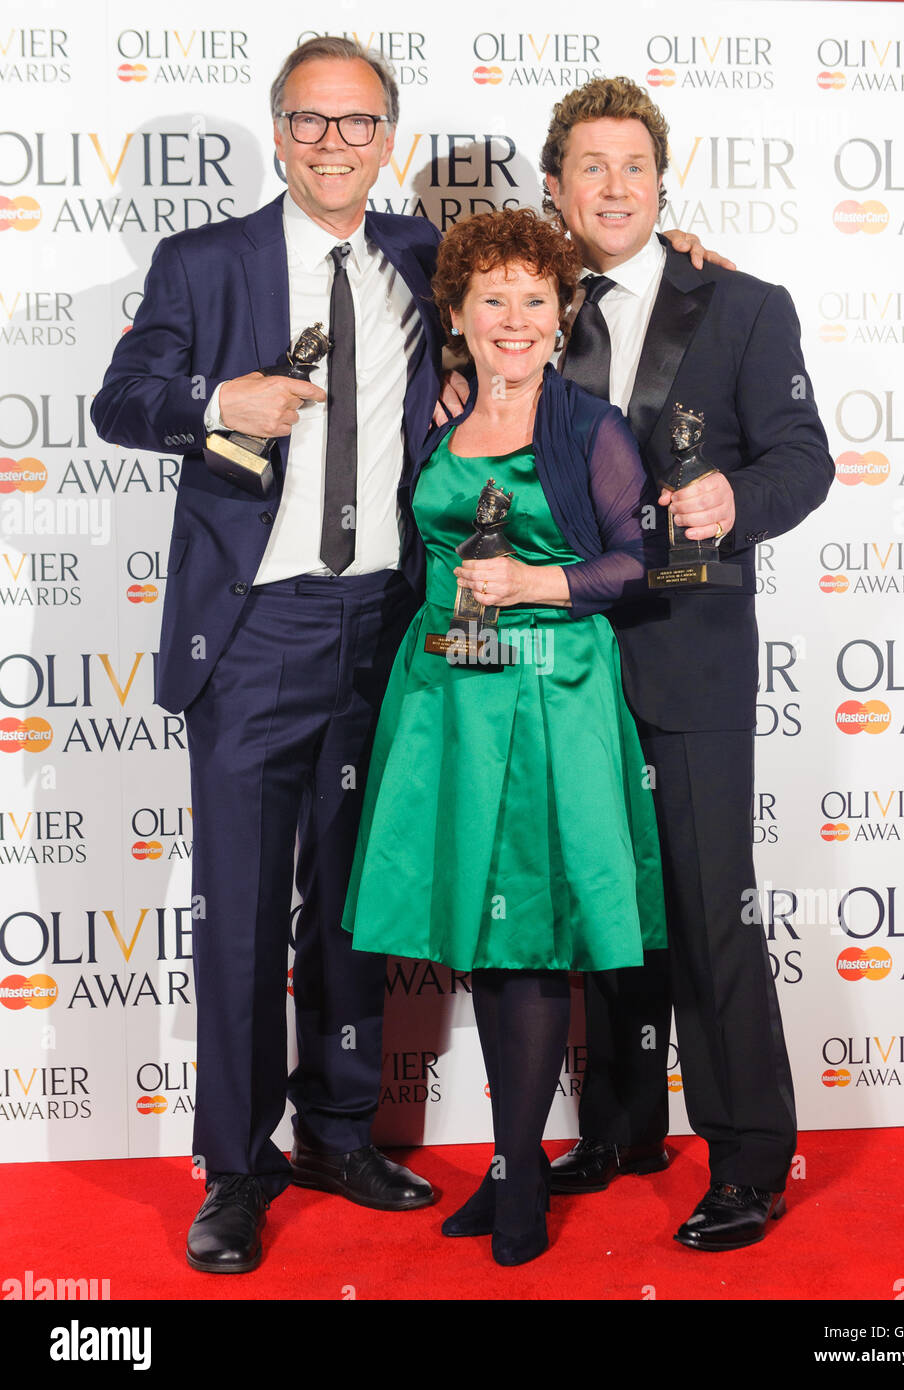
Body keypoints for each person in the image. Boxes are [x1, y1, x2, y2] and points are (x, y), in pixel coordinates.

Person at [91, 36, 446, 1274]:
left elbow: (555, 283)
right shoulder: (206, 261)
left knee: (354, 902)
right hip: (254, 631)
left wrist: (679, 255)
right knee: (241, 911)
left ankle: (340, 1131)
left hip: (384, 627)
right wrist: (212, 405)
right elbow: (119, 400)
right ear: (277, 129)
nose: (333, 144)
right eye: (310, 121)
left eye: (357, 124)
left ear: (388, 136)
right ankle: (238, 1167)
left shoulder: (422, 257)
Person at [538, 77, 835, 1251]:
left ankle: (751, 1156)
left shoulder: (747, 305)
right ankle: (619, 1123)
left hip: (693, 645)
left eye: (634, 166)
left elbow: (803, 460)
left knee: (711, 906)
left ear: (664, 179)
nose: (614, 187)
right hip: (561, 651)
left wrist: (733, 495)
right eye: (590, 168)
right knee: (603, 900)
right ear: (556, 186)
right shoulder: (527, 305)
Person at [342, 207, 668, 1266]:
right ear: (458, 315)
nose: (515, 320)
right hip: (446, 698)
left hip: (546, 695)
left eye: (537, 299)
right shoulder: (438, 422)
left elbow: (639, 559)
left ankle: (521, 1171)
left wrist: (544, 581)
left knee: (526, 940)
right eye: (494, 300)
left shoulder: (588, 430)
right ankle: (506, 1158)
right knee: (481, 936)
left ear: (564, 312)